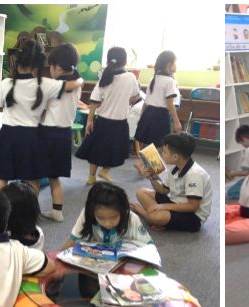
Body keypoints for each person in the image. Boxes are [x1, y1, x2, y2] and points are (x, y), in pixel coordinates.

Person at [76, 47, 142, 184]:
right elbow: (136, 96)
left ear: (108, 60)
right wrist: (124, 101)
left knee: (96, 149)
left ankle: (92, 176)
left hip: (103, 121)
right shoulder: (130, 77)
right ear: (124, 61)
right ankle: (105, 171)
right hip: (120, 122)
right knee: (116, 149)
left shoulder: (104, 77)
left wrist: (89, 121)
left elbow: (94, 101)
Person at [0, 38, 49, 190]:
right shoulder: (43, 86)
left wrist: (12, 109)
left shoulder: (6, 83)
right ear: (38, 64)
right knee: (32, 181)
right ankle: (31, 206)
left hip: (8, 135)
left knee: (2, 178)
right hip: (33, 137)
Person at [35, 42, 83, 222]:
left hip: (46, 134)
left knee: (34, 177)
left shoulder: (52, 85)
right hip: (64, 134)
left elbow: (38, 109)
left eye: (51, 67)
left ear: (57, 67)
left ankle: (31, 212)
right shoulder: (77, 85)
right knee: (54, 177)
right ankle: (57, 212)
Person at [132, 132, 212, 232]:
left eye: (164, 152)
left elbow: (193, 206)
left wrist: (162, 206)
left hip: (193, 217)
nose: (162, 154)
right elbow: (163, 191)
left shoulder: (194, 174)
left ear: (175, 157)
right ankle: (158, 218)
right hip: (176, 203)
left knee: (155, 217)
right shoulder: (175, 169)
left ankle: (144, 213)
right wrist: (152, 177)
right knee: (141, 192)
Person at [65, 181, 152, 249]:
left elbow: (149, 248)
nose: (108, 224)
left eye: (114, 217)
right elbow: (72, 241)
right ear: (92, 212)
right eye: (101, 218)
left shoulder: (131, 218)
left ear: (122, 211)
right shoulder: (86, 214)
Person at [134, 50, 181, 150]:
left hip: (148, 114)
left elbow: (146, 102)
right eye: (175, 63)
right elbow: (170, 104)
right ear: (169, 65)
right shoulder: (170, 81)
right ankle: (151, 161)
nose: (176, 65)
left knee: (148, 147)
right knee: (158, 148)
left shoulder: (154, 78)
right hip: (160, 116)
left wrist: (141, 118)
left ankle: (146, 161)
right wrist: (176, 121)